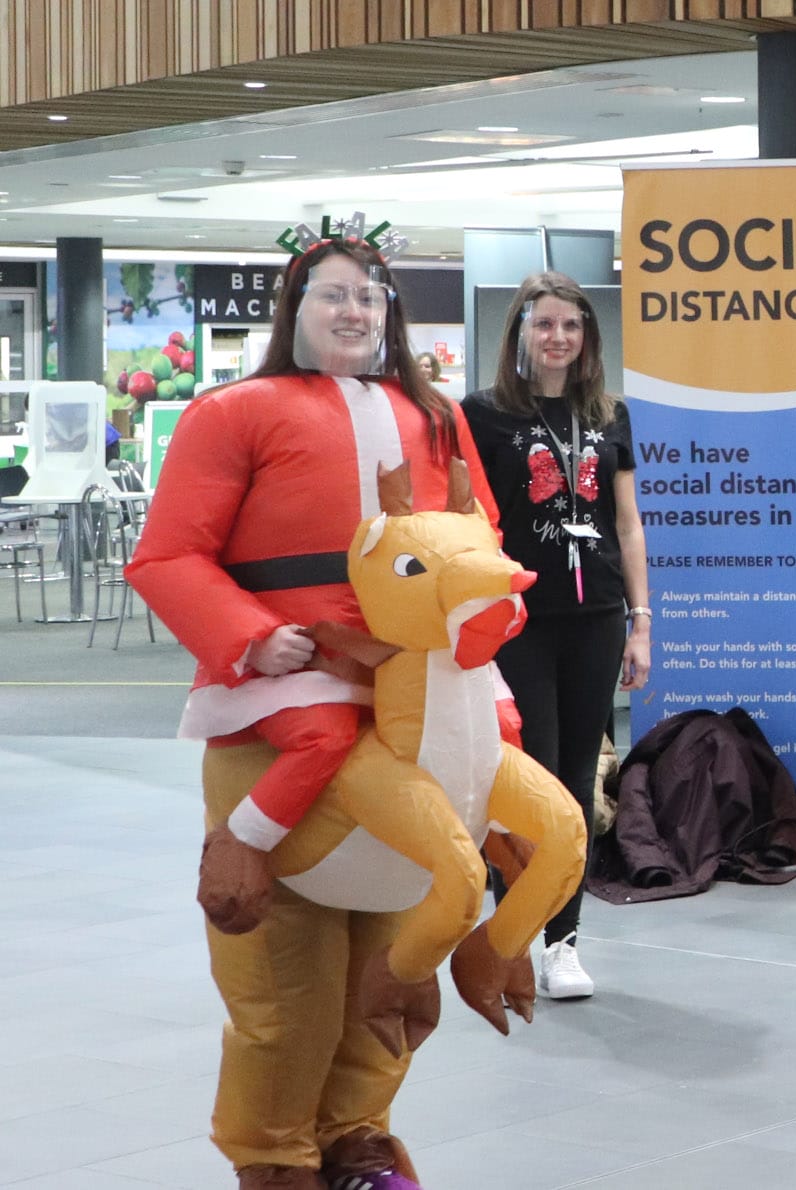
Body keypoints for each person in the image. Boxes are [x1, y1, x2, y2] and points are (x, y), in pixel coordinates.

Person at [129, 233, 496, 1190]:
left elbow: (482, 557)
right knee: (282, 978)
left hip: (412, 714)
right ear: (294, 309)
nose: (354, 313)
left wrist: (486, 676)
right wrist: (251, 635)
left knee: (392, 954)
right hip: (278, 710)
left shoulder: (438, 420)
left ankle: (359, 1138)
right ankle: (275, 1156)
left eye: (370, 298)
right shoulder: (232, 413)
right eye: (333, 296)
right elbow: (168, 556)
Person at [461, 272, 648, 1000]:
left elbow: (626, 524)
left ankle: (563, 941)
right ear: (521, 332)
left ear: (587, 338)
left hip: (597, 617)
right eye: (544, 325)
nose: (558, 338)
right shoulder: (483, 415)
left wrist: (643, 623)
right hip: (519, 623)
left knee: (574, 781)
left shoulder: (609, 415)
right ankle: (511, 932)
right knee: (525, 777)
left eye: (571, 326)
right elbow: (471, 519)